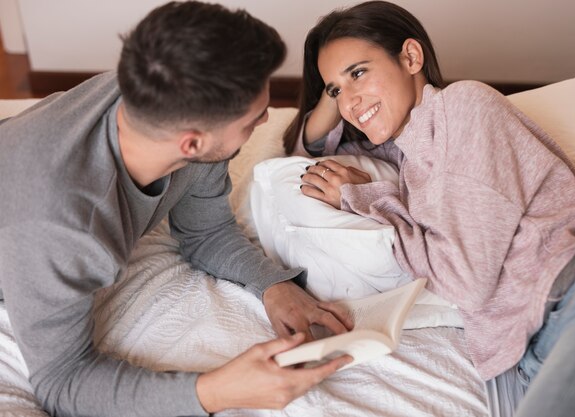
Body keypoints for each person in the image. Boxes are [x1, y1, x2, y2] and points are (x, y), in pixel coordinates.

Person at [0, 2, 354, 416]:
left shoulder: (161, 95)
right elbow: (62, 382)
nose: (264, 122)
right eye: (252, 120)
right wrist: (215, 392)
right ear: (191, 143)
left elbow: (204, 230)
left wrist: (273, 285)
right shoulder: (64, 226)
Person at [284, 1, 575, 416]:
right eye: (336, 89)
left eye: (358, 72)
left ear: (411, 57)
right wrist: (332, 94)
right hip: (515, 351)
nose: (350, 101)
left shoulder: (464, 106)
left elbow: (466, 280)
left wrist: (368, 199)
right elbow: (304, 149)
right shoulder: (404, 148)